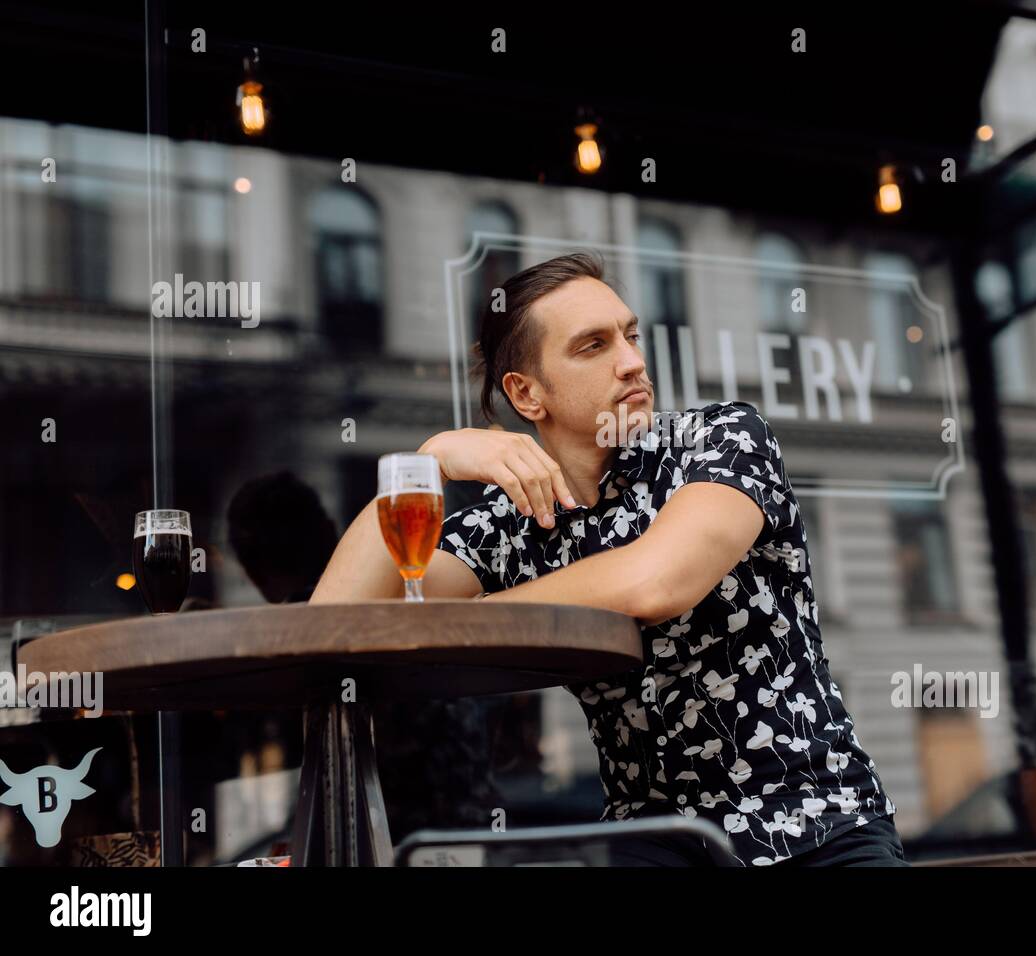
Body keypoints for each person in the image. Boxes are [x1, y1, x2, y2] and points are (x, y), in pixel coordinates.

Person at [311, 252, 906, 867]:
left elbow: (655, 581)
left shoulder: (722, 439)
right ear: (526, 394)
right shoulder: (509, 524)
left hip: (817, 822)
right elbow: (333, 620)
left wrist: (484, 612)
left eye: (630, 335)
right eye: (593, 346)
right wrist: (427, 463)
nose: (633, 362)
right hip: (656, 840)